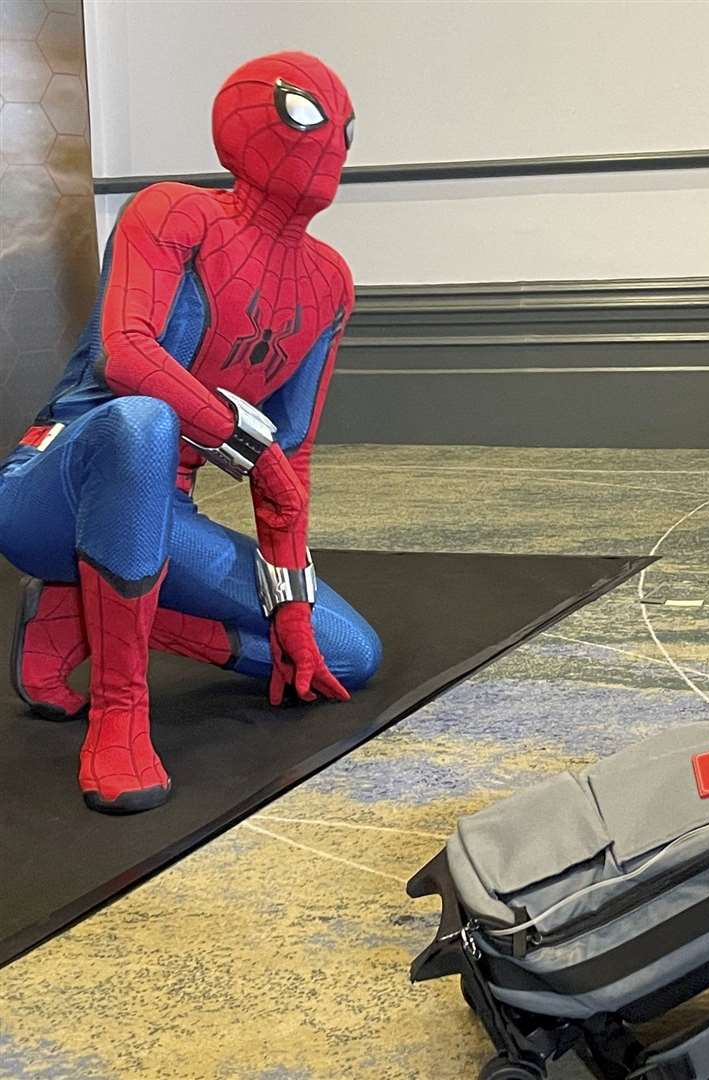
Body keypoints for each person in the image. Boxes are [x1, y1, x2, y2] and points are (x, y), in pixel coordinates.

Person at [1, 53, 381, 814]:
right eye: (307, 115)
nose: (332, 141)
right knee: (144, 421)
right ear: (241, 122)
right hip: (51, 486)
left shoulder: (329, 281)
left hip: (162, 517)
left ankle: (77, 616)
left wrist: (292, 608)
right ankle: (119, 715)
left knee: (345, 654)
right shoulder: (174, 212)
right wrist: (252, 449)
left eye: (346, 127)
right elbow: (128, 354)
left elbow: (294, 451)